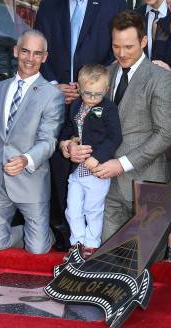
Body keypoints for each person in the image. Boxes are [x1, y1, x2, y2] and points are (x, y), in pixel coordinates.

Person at [33, 0, 126, 248]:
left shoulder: (113, 5)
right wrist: (52, 86)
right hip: (58, 101)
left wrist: (94, 88)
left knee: (93, 170)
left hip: (97, 102)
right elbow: (39, 55)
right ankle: (67, 238)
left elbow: (119, 54)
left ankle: (94, 240)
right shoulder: (48, 8)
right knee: (62, 165)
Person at [68, 10, 171, 241]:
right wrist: (68, 145)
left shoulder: (160, 78)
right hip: (103, 185)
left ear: (143, 41)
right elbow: (80, 119)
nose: (122, 53)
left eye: (129, 47)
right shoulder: (104, 73)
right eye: (116, 46)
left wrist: (122, 164)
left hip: (144, 181)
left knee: (143, 261)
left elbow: (165, 134)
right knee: (104, 256)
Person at [0, 30, 65, 254]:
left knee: (38, 249)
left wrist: (25, 159)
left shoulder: (52, 95)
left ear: (45, 57)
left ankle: (46, 234)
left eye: (37, 53)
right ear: (15, 51)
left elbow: (48, 141)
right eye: (25, 51)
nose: (30, 58)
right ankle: (25, 232)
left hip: (31, 180)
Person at [59, 65, 122, 258]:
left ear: (106, 89)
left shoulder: (108, 108)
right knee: (72, 208)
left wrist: (98, 157)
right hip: (77, 170)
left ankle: (91, 245)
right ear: (78, 87)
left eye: (97, 94)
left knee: (93, 210)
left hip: (97, 170)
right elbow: (69, 127)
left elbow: (115, 137)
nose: (92, 98)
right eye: (87, 93)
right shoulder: (76, 105)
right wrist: (68, 141)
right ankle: (77, 243)